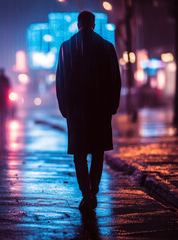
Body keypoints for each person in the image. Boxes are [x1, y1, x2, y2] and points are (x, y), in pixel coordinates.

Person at [56, 11, 121, 211]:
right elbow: (115, 80)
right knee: (98, 152)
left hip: (77, 108)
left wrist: (64, 106)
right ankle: (93, 191)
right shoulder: (106, 47)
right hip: (100, 108)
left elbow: (61, 80)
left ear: (78, 24)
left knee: (80, 153)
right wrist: (112, 105)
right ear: (94, 24)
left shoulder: (67, 47)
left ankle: (86, 192)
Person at [0, 68, 11, 142]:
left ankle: (4, 115)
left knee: (4, 106)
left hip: (4, 95)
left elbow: (9, 86)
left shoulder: (4, 79)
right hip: (0, 95)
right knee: (0, 106)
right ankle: (1, 116)